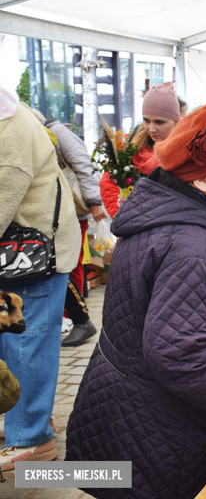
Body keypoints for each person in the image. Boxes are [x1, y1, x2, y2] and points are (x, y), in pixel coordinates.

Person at [65, 105, 206, 498]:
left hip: (135, 423)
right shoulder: (190, 244)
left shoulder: (176, 219)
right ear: (204, 179)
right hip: (158, 438)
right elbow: (181, 354)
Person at [0, 92, 80, 470]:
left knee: (25, 344)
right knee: (13, 343)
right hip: (20, 252)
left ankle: (31, 439)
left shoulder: (9, 129)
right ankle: (25, 419)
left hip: (32, 256)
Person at [28, 108, 107, 347]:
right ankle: (71, 317)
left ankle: (74, 318)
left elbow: (84, 165)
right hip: (55, 208)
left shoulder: (57, 132)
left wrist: (94, 203)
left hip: (70, 209)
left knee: (70, 261)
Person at [100, 82, 180, 218]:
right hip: (134, 229)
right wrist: (123, 214)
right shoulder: (132, 142)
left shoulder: (187, 149)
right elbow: (108, 183)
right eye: (146, 120)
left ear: (175, 121)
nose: (151, 128)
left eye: (160, 122)